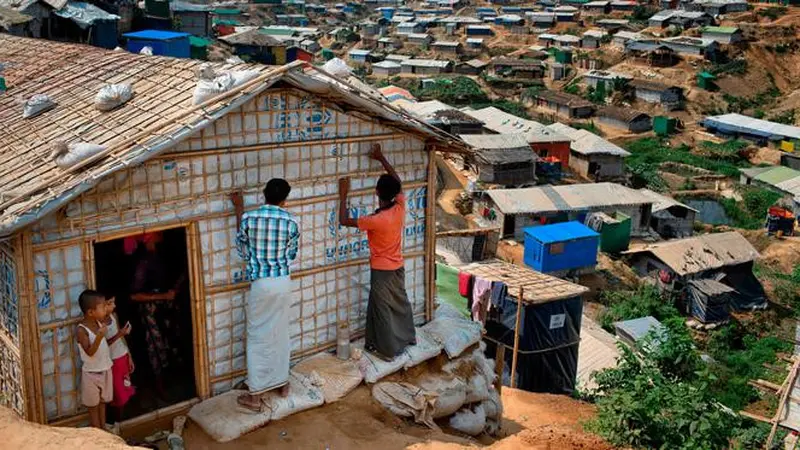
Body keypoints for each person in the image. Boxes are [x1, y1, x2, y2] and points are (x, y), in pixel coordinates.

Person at [338, 144, 416, 361]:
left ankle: (388, 351)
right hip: (397, 266)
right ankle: (407, 337)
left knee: (382, 310)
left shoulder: (376, 220)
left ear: (376, 192)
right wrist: (381, 158)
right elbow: (397, 181)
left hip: (381, 270)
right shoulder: (399, 208)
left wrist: (343, 194)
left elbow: (343, 220)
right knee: (399, 302)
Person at [231, 178, 300, 412]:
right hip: (282, 282)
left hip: (261, 284)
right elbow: (291, 255)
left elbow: (241, 248)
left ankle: (255, 396)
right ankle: (282, 384)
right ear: (284, 199)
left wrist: (238, 209)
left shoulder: (249, 218)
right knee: (280, 332)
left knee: (257, 336)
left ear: (264, 194)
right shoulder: (291, 221)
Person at [129, 232, 177, 399]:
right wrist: (163, 297)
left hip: (163, 311)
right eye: (157, 234)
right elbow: (134, 296)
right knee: (155, 350)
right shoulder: (142, 262)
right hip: (150, 313)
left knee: (167, 346)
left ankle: (167, 383)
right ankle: (160, 387)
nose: (161, 236)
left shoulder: (158, 257)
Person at [76, 290, 113, 429]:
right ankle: (97, 432)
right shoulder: (81, 330)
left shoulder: (99, 322)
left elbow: (109, 314)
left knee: (103, 403)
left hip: (104, 370)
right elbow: (90, 352)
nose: (105, 309)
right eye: (102, 307)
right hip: (91, 374)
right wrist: (98, 336)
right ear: (91, 312)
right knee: (93, 406)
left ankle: (103, 429)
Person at [103, 296, 135, 420]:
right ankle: (117, 421)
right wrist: (120, 334)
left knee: (125, 387)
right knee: (118, 394)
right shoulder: (99, 324)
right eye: (110, 303)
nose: (114, 306)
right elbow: (103, 345)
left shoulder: (113, 316)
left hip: (122, 356)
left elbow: (122, 339)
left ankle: (121, 419)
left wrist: (129, 355)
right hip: (112, 361)